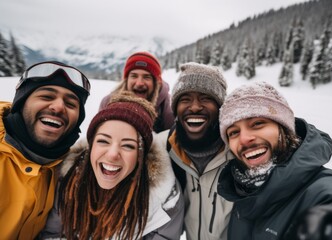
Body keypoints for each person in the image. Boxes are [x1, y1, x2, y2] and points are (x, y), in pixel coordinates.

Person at [217, 81, 332, 239]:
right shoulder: (243, 191)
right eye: (233, 132)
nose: (244, 139)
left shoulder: (324, 193)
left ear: (284, 129)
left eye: (257, 124)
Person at [42, 92, 184, 239]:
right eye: (103, 141)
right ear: (91, 146)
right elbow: (52, 234)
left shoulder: (165, 201)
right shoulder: (69, 180)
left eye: (128, 145)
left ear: (142, 156)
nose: (112, 154)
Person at [0, 61, 90, 239]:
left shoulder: (65, 169)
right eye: (46, 97)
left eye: (71, 104)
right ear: (21, 103)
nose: (58, 107)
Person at [159, 62, 234, 240]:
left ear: (221, 108)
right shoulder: (162, 149)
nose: (194, 107)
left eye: (205, 98)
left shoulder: (239, 152)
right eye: (185, 99)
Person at [99, 51, 174, 133]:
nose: (139, 83)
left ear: (156, 82)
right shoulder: (108, 102)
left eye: (146, 77)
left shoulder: (168, 106)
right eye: (134, 76)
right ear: (126, 80)